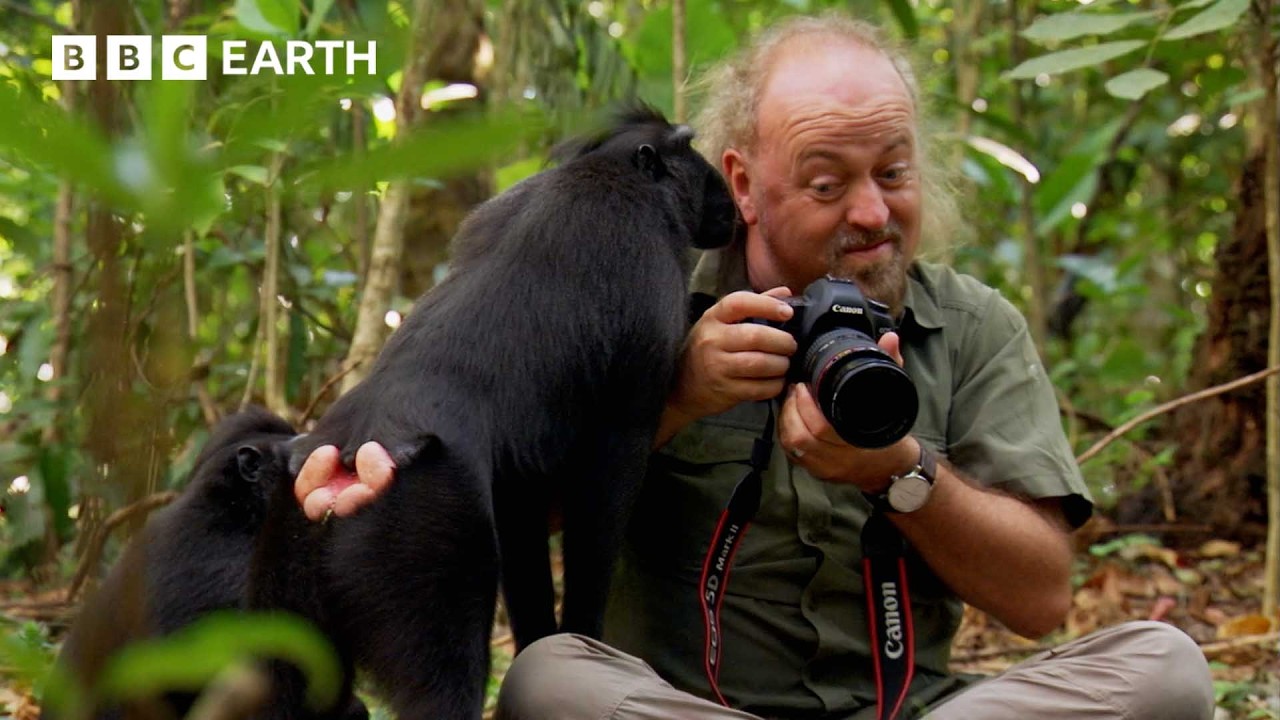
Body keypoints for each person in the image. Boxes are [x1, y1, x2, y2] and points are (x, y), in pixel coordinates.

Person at [296, 13, 1215, 720]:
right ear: (740, 183)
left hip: (918, 710)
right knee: (550, 680)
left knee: (1165, 668)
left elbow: (1042, 597)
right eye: (827, 183)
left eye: (893, 174)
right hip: (678, 708)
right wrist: (671, 399)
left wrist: (903, 474)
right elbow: (503, 505)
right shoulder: (635, 295)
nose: (871, 213)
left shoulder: (971, 327)